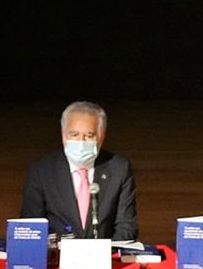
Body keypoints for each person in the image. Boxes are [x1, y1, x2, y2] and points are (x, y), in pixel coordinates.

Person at [20, 101, 138, 241]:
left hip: (104, 252)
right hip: (58, 253)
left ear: (101, 137)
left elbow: (126, 226)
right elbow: (31, 226)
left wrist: (107, 251)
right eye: (74, 134)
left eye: (89, 135)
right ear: (63, 135)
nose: (81, 142)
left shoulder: (119, 168)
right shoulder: (43, 169)